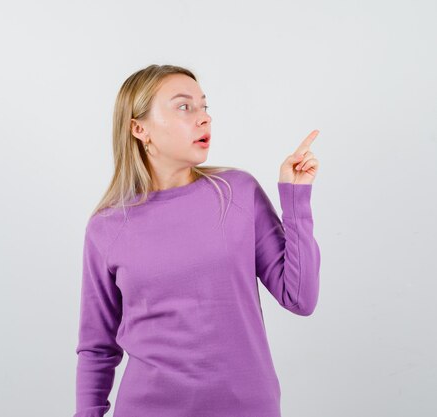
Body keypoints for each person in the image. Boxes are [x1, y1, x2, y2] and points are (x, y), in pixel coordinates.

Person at [73, 64, 321, 417]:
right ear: (139, 129)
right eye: (184, 107)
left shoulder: (237, 191)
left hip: (247, 408)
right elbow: (97, 348)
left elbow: (300, 297)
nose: (203, 118)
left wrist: (296, 198)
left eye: (204, 107)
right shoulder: (107, 226)